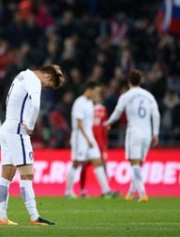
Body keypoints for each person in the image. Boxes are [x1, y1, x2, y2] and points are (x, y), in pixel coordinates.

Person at [0, 64, 64, 226]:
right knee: (27, 175)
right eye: (48, 86)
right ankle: (34, 217)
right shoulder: (34, 80)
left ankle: (2, 218)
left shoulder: (22, 75)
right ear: (48, 77)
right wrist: (31, 126)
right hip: (18, 130)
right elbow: (35, 104)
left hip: (7, 127)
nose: (45, 88)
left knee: (7, 174)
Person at [106, 69, 160, 202]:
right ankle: (130, 193)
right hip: (147, 133)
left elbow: (117, 112)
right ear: (141, 81)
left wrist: (108, 123)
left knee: (134, 164)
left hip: (134, 132)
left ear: (129, 81)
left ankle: (142, 193)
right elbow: (156, 114)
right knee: (138, 164)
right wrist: (156, 133)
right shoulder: (149, 95)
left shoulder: (126, 96)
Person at [66, 82, 119, 199]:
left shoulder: (90, 103)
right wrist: (87, 139)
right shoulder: (79, 102)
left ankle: (106, 191)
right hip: (80, 138)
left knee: (98, 161)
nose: (97, 94)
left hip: (89, 138)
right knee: (76, 163)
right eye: (96, 91)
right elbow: (79, 123)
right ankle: (68, 192)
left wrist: (90, 139)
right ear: (89, 89)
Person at [79, 89, 109, 198]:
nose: (97, 98)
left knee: (102, 164)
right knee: (84, 165)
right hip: (87, 141)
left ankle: (106, 190)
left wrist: (105, 144)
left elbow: (104, 128)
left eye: (98, 96)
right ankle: (82, 190)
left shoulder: (102, 109)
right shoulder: (87, 107)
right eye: (95, 96)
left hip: (99, 142)